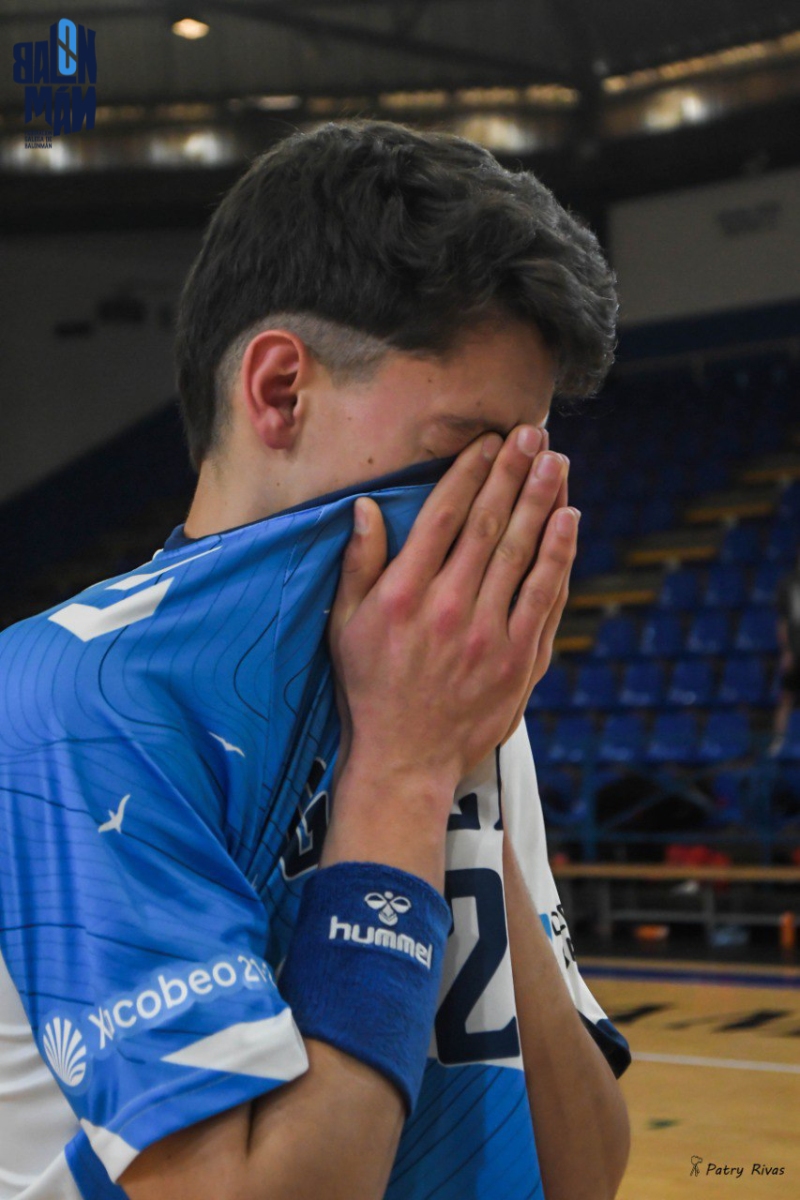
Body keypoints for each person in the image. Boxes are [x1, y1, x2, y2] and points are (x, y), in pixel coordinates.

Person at [0, 119, 631, 1200]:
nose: (502, 508)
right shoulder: (73, 698)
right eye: (466, 454)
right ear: (279, 390)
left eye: (528, 461)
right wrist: (402, 780)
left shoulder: (443, 695)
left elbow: (583, 1170)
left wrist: (459, 776)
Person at [773, 549, 800, 752]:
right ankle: (779, 742)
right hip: (796, 650)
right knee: (786, 697)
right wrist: (787, 651)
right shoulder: (788, 584)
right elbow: (782, 622)